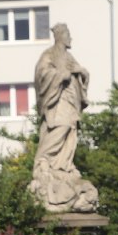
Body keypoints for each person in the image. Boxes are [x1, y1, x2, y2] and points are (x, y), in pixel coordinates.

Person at [29, 22, 99, 213]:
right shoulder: (49, 55)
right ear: (60, 36)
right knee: (60, 129)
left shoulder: (69, 57)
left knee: (70, 134)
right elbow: (41, 75)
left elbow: (80, 75)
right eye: (68, 34)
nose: (70, 38)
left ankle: (63, 166)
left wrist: (82, 73)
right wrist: (61, 75)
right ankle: (44, 162)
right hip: (57, 104)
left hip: (70, 103)